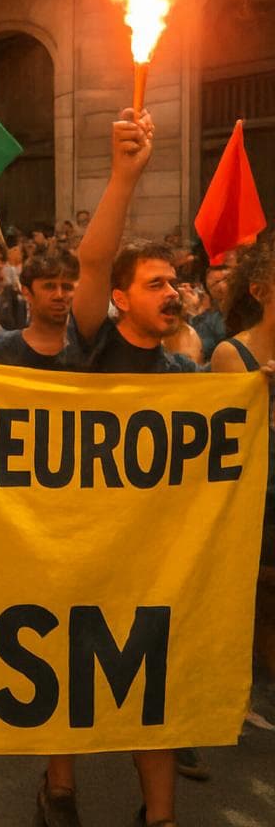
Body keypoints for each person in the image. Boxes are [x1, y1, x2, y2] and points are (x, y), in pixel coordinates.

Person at [52, 107, 189, 825]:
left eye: (177, 284)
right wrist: (123, 176)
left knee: (150, 682)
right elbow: (94, 258)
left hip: (150, 556)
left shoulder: (190, 376)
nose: (172, 293)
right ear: (121, 299)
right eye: (156, 283)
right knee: (69, 670)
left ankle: (157, 816)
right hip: (79, 544)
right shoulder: (93, 345)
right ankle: (61, 790)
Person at [208, 237, 275, 727]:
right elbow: (233, 438)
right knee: (258, 592)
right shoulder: (233, 355)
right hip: (259, 491)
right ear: (260, 290)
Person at [0, 250, 78, 370]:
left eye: (67, 287)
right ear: (26, 292)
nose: (59, 295)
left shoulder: (89, 354)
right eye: (49, 286)